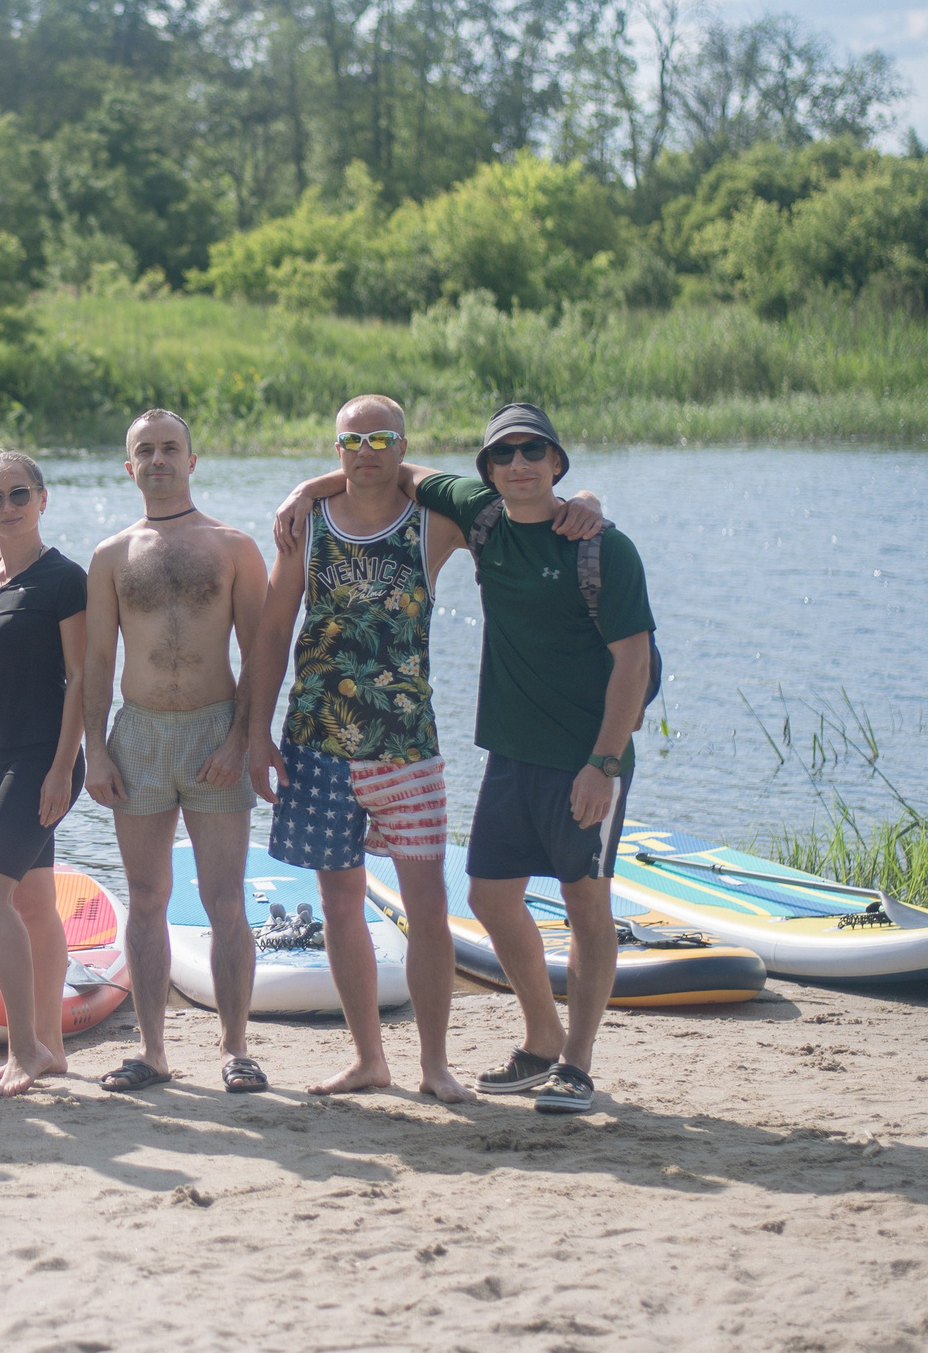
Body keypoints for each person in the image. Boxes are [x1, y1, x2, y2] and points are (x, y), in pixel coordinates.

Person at [244, 396, 606, 1104]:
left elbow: (505, 497)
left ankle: (435, 1063)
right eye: (352, 439)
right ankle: (368, 1059)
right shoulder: (307, 525)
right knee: (340, 903)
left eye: (382, 438)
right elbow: (272, 627)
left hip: (406, 746)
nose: (366, 450)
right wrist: (255, 729)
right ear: (336, 445)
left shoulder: (434, 522)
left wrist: (582, 497)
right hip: (316, 742)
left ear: (403, 444)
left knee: (428, 908)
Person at [408, 402, 655, 1116]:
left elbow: (633, 661)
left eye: (532, 451)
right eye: (503, 454)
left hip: (585, 757)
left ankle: (577, 1061)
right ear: (488, 469)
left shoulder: (604, 547)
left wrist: (603, 764)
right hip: (510, 755)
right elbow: (398, 468)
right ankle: (541, 1036)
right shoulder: (482, 515)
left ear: (557, 463)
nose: (518, 463)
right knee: (488, 894)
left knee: (586, 901)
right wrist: (307, 492)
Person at [81, 409, 272, 1095]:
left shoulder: (233, 547)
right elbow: (98, 660)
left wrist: (241, 739)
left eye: (170, 448)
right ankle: (153, 1052)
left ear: (193, 460)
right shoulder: (110, 555)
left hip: (212, 728)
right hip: (138, 737)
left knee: (225, 898)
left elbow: (259, 654)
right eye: (145, 451)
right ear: (128, 466)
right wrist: (94, 752)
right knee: (144, 896)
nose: (158, 460)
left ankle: (236, 1049)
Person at [0, 451, 89, 1098]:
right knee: (32, 901)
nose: (6, 506)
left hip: (44, 756)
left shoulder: (64, 579)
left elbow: (83, 679)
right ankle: (50, 1047)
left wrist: (63, 768)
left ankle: (24, 1047)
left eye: (18, 493)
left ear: (42, 497)